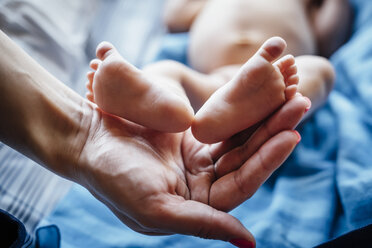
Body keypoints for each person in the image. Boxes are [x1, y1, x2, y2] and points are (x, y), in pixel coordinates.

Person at [0, 27, 310, 248]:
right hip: (229, 76)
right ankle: (224, 110)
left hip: (214, 78)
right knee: (318, 72)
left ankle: (180, 104)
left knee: (167, 73)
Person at [86, 0, 351, 144]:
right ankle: (165, 105)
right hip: (218, 91)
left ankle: (261, 110)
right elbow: (175, 18)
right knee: (164, 71)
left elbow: (329, 38)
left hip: (282, 82)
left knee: (322, 70)